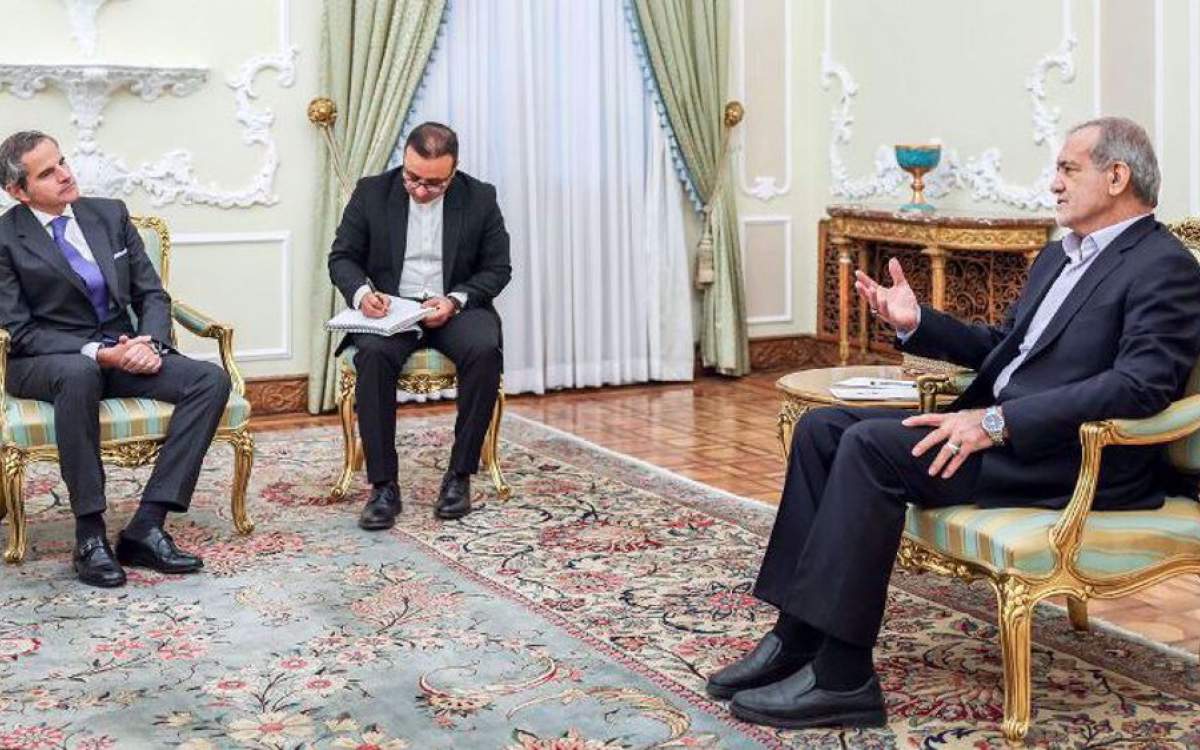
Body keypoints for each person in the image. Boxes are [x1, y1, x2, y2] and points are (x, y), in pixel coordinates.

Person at [706, 116, 1200, 729]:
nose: (1053, 185)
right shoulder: (1057, 258)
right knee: (822, 429)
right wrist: (916, 323)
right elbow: (1004, 347)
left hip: (1071, 460)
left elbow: (1141, 384)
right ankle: (795, 639)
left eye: (1068, 170)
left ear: (1117, 176)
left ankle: (844, 678)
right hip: (1003, 436)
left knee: (867, 448)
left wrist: (997, 422)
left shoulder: (1163, 265)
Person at [0, 131, 232, 588]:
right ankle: (89, 537)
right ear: (17, 191)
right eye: (48, 172)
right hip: (49, 360)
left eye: (62, 161)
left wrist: (147, 343)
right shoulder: (5, 239)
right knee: (81, 371)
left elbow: (152, 294)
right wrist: (104, 354)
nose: (66, 174)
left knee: (210, 381)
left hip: (126, 349)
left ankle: (147, 526)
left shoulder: (109, 214)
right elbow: (22, 332)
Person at [328, 122, 511, 529]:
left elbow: (498, 269)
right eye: (413, 178)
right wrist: (362, 295)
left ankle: (459, 476)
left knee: (485, 349)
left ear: (454, 170)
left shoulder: (480, 197)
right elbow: (342, 258)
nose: (421, 189)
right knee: (373, 355)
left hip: (453, 305)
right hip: (392, 306)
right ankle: (383, 486)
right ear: (404, 161)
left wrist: (456, 299)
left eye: (435, 183)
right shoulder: (372, 191)